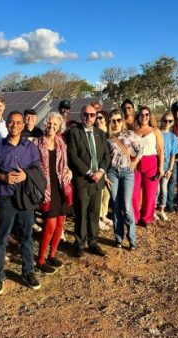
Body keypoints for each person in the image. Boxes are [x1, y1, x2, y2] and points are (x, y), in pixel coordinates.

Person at [0, 111, 42, 295]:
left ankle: (28, 272)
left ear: (22, 125)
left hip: (25, 198)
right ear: (7, 124)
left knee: (27, 237)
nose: (15, 125)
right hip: (5, 197)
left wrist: (26, 174)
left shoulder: (30, 146)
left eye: (19, 122)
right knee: (1, 238)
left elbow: (37, 167)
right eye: (12, 122)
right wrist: (2, 176)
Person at [66, 104, 110, 258]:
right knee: (81, 213)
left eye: (92, 115)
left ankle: (93, 242)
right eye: (86, 114)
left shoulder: (100, 134)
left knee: (94, 212)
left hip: (98, 180)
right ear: (81, 115)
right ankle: (79, 243)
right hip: (83, 179)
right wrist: (90, 172)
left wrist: (101, 172)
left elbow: (106, 156)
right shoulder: (73, 133)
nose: (89, 118)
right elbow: (73, 156)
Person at [33, 112, 73, 274]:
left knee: (60, 224)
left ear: (59, 127)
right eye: (49, 123)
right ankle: (40, 260)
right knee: (49, 225)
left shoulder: (61, 142)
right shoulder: (36, 143)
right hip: (47, 189)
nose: (51, 126)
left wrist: (69, 171)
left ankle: (52, 255)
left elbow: (64, 163)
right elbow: (33, 166)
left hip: (61, 186)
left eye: (55, 124)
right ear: (45, 124)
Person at [106, 109, 142, 249]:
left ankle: (132, 237)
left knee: (127, 206)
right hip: (113, 172)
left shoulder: (129, 134)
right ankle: (118, 237)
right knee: (115, 205)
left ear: (122, 121)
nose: (116, 123)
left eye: (119, 120)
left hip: (127, 172)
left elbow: (140, 148)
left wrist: (135, 161)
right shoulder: (107, 138)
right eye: (113, 120)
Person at [132, 106, 164, 226]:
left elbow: (160, 150)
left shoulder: (155, 131)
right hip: (136, 164)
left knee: (150, 194)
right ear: (138, 116)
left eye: (146, 114)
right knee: (133, 194)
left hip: (151, 162)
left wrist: (161, 167)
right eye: (141, 115)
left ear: (150, 116)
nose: (144, 117)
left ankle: (146, 218)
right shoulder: (133, 131)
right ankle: (134, 217)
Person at [156, 112, 178, 221]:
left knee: (164, 190)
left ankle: (161, 209)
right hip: (155, 167)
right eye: (165, 120)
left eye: (170, 121)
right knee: (155, 190)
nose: (167, 123)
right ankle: (152, 210)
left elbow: (173, 155)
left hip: (166, 168)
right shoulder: (155, 133)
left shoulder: (173, 137)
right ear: (161, 120)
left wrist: (170, 169)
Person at [95, 110, 113, 231]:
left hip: (111, 167)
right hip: (100, 169)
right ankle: (96, 218)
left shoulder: (110, 134)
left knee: (107, 194)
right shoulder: (95, 134)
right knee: (99, 194)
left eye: (101, 118)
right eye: (97, 118)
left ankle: (103, 215)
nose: (99, 120)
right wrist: (103, 173)